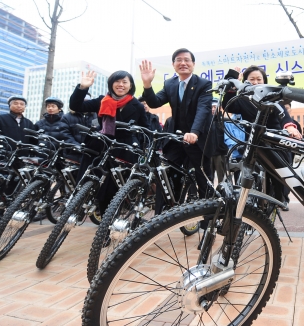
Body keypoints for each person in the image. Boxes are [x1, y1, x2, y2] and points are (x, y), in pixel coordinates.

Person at [139, 49, 215, 201]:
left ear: (193, 64)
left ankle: (208, 221)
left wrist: (194, 132)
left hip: (197, 140)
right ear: (173, 65)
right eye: (178, 60)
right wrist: (147, 84)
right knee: (166, 177)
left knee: (204, 182)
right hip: (176, 139)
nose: (183, 63)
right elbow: (154, 102)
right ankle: (163, 216)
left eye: (187, 60)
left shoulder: (203, 84)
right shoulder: (170, 84)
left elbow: (203, 110)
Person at [69, 70, 149, 213]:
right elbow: (76, 106)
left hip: (124, 148)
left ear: (130, 86)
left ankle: (109, 218)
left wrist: (142, 149)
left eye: (125, 82)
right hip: (101, 144)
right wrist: (82, 87)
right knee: (92, 180)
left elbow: (145, 129)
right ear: (111, 84)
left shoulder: (137, 105)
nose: (120, 85)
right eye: (117, 81)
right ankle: (87, 207)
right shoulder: (102, 100)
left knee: (113, 189)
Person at [222, 65, 301, 209]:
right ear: (245, 81)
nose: (255, 82)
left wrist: (290, 126)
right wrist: (233, 76)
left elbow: (283, 114)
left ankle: (280, 199)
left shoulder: (272, 96)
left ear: (264, 81)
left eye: (259, 79)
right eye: (251, 79)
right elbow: (228, 104)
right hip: (252, 141)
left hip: (273, 139)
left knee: (279, 174)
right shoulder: (242, 99)